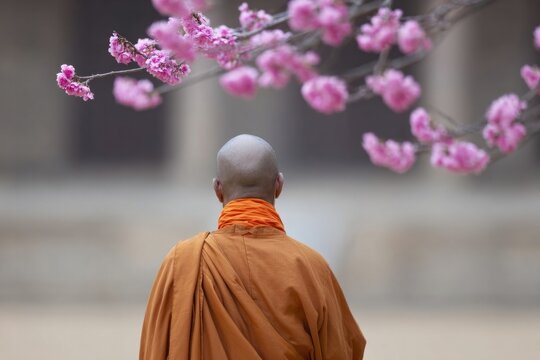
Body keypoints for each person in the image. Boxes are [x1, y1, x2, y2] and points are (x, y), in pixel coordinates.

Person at [140, 134, 366, 360]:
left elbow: (157, 350)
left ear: (218, 189)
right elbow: (341, 351)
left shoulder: (181, 262)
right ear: (279, 185)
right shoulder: (312, 268)